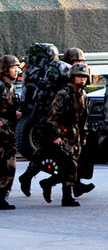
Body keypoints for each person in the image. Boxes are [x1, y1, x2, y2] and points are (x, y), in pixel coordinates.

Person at [19, 47, 94, 200]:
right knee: (52, 154)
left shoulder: (64, 76)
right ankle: (33, 178)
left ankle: (73, 185)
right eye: (77, 62)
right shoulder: (61, 73)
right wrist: (55, 131)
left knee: (66, 157)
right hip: (53, 120)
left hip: (61, 122)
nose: (80, 65)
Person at [44, 63, 90, 207]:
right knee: (69, 164)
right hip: (64, 132)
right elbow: (53, 116)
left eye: (84, 77)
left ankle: (49, 184)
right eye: (79, 76)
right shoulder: (64, 94)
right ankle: (66, 196)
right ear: (72, 77)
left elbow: (83, 118)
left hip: (75, 133)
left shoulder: (82, 94)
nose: (82, 79)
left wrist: (84, 136)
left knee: (73, 165)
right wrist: (56, 136)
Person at [0, 55, 22, 210]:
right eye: (14, 67)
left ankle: (2, 196)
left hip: (8, 132)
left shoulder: (10, 87)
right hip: (1, 132)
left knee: (8, 166)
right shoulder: (1, 86)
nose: (17, 71)